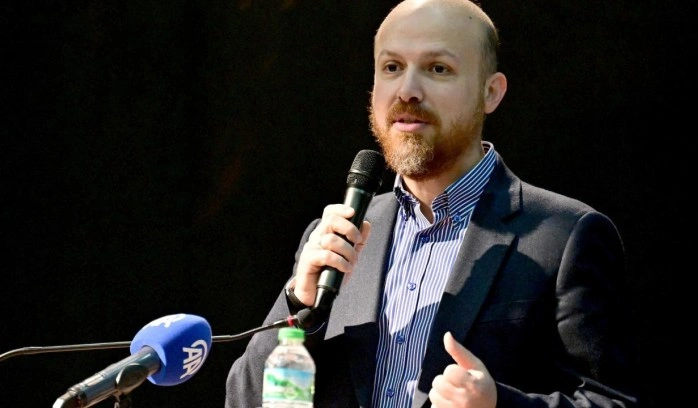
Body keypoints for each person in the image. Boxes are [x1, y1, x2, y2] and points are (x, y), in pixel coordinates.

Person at [225, 0, 641, 407]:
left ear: (490, 93)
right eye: (392, 67)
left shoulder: (566, 235)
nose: (407, 90)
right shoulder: (334, 239)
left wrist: (497, 404)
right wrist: (300, 304)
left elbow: (610, 401)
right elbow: (245, 400)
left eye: (437, 68)